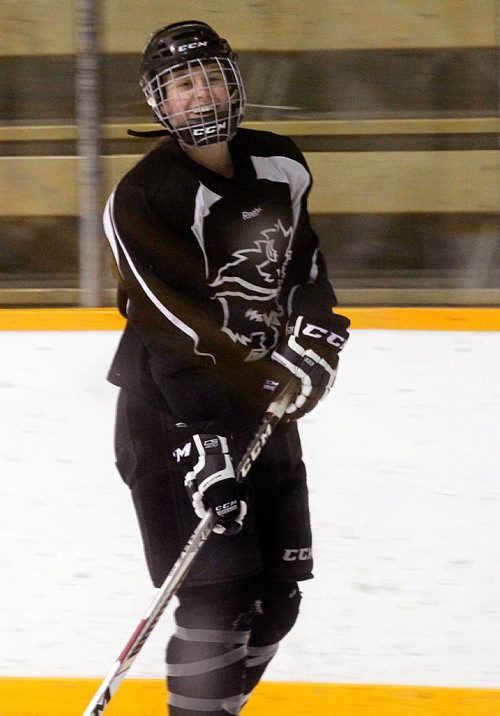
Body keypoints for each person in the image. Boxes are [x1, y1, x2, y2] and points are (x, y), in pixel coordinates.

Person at [103, 19, 350, 715]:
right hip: (171, 414)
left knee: (276, 600)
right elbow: (168, 329)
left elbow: (304, 266)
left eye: (210, 76)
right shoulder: (142, 196)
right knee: (219, 600)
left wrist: (320, 339)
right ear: (161, 105)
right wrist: (202, 436)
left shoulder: (282, 164)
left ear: (236, 82)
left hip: (260, 403)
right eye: (183, 85)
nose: (201, 93)